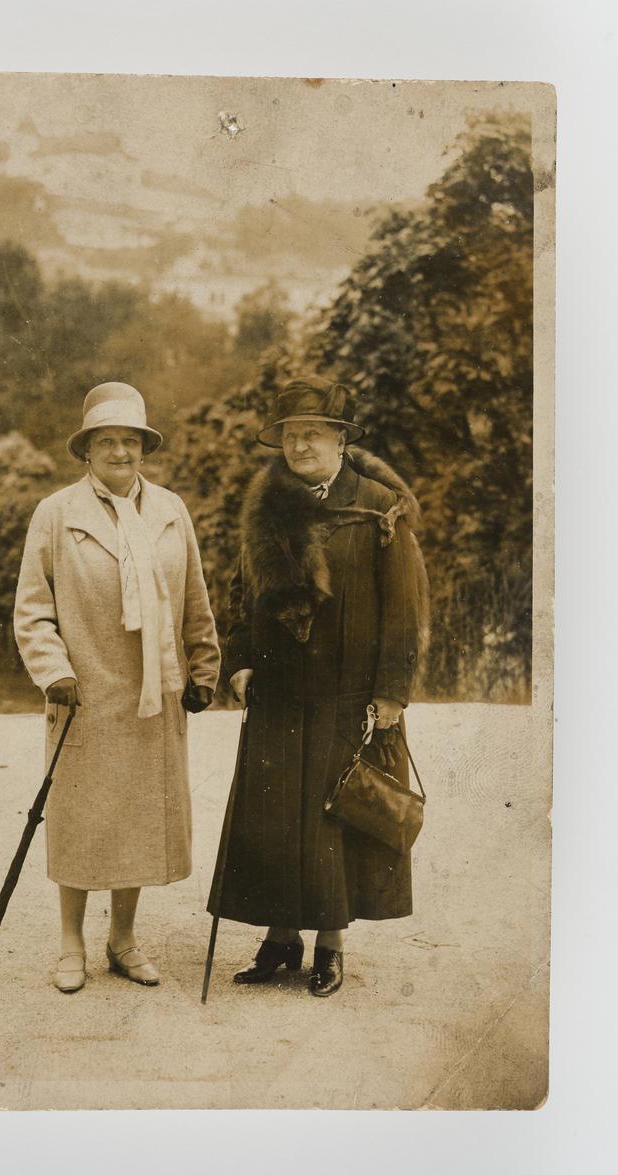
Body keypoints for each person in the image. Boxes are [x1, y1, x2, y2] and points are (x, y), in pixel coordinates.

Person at [207, 375, 429, 997]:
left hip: (350, 690)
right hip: (280, 685)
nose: (300, 446)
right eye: (290, 436)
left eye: (313, 433)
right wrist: (242, 662)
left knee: (336, 814)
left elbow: (405, 609)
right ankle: (281, 939)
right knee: (279, 813)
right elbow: (242, 588)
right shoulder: (267, 506)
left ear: (339, 438)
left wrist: (391, 691)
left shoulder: (377, 506)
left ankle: (330, 946)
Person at [14, 382, 220, 993]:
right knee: (80, 819)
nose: (121, 452)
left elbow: (194, 598)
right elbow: (33, 608)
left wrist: (204, 667)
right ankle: (71, 944)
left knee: (136, 819)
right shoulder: (56, 513)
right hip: (85, 693)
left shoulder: (170, 510)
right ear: (87, 451)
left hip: (153, 693)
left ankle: (123, 940)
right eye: (107, 441)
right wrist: (55, 672)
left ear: (143, 448)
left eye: (130, 441)